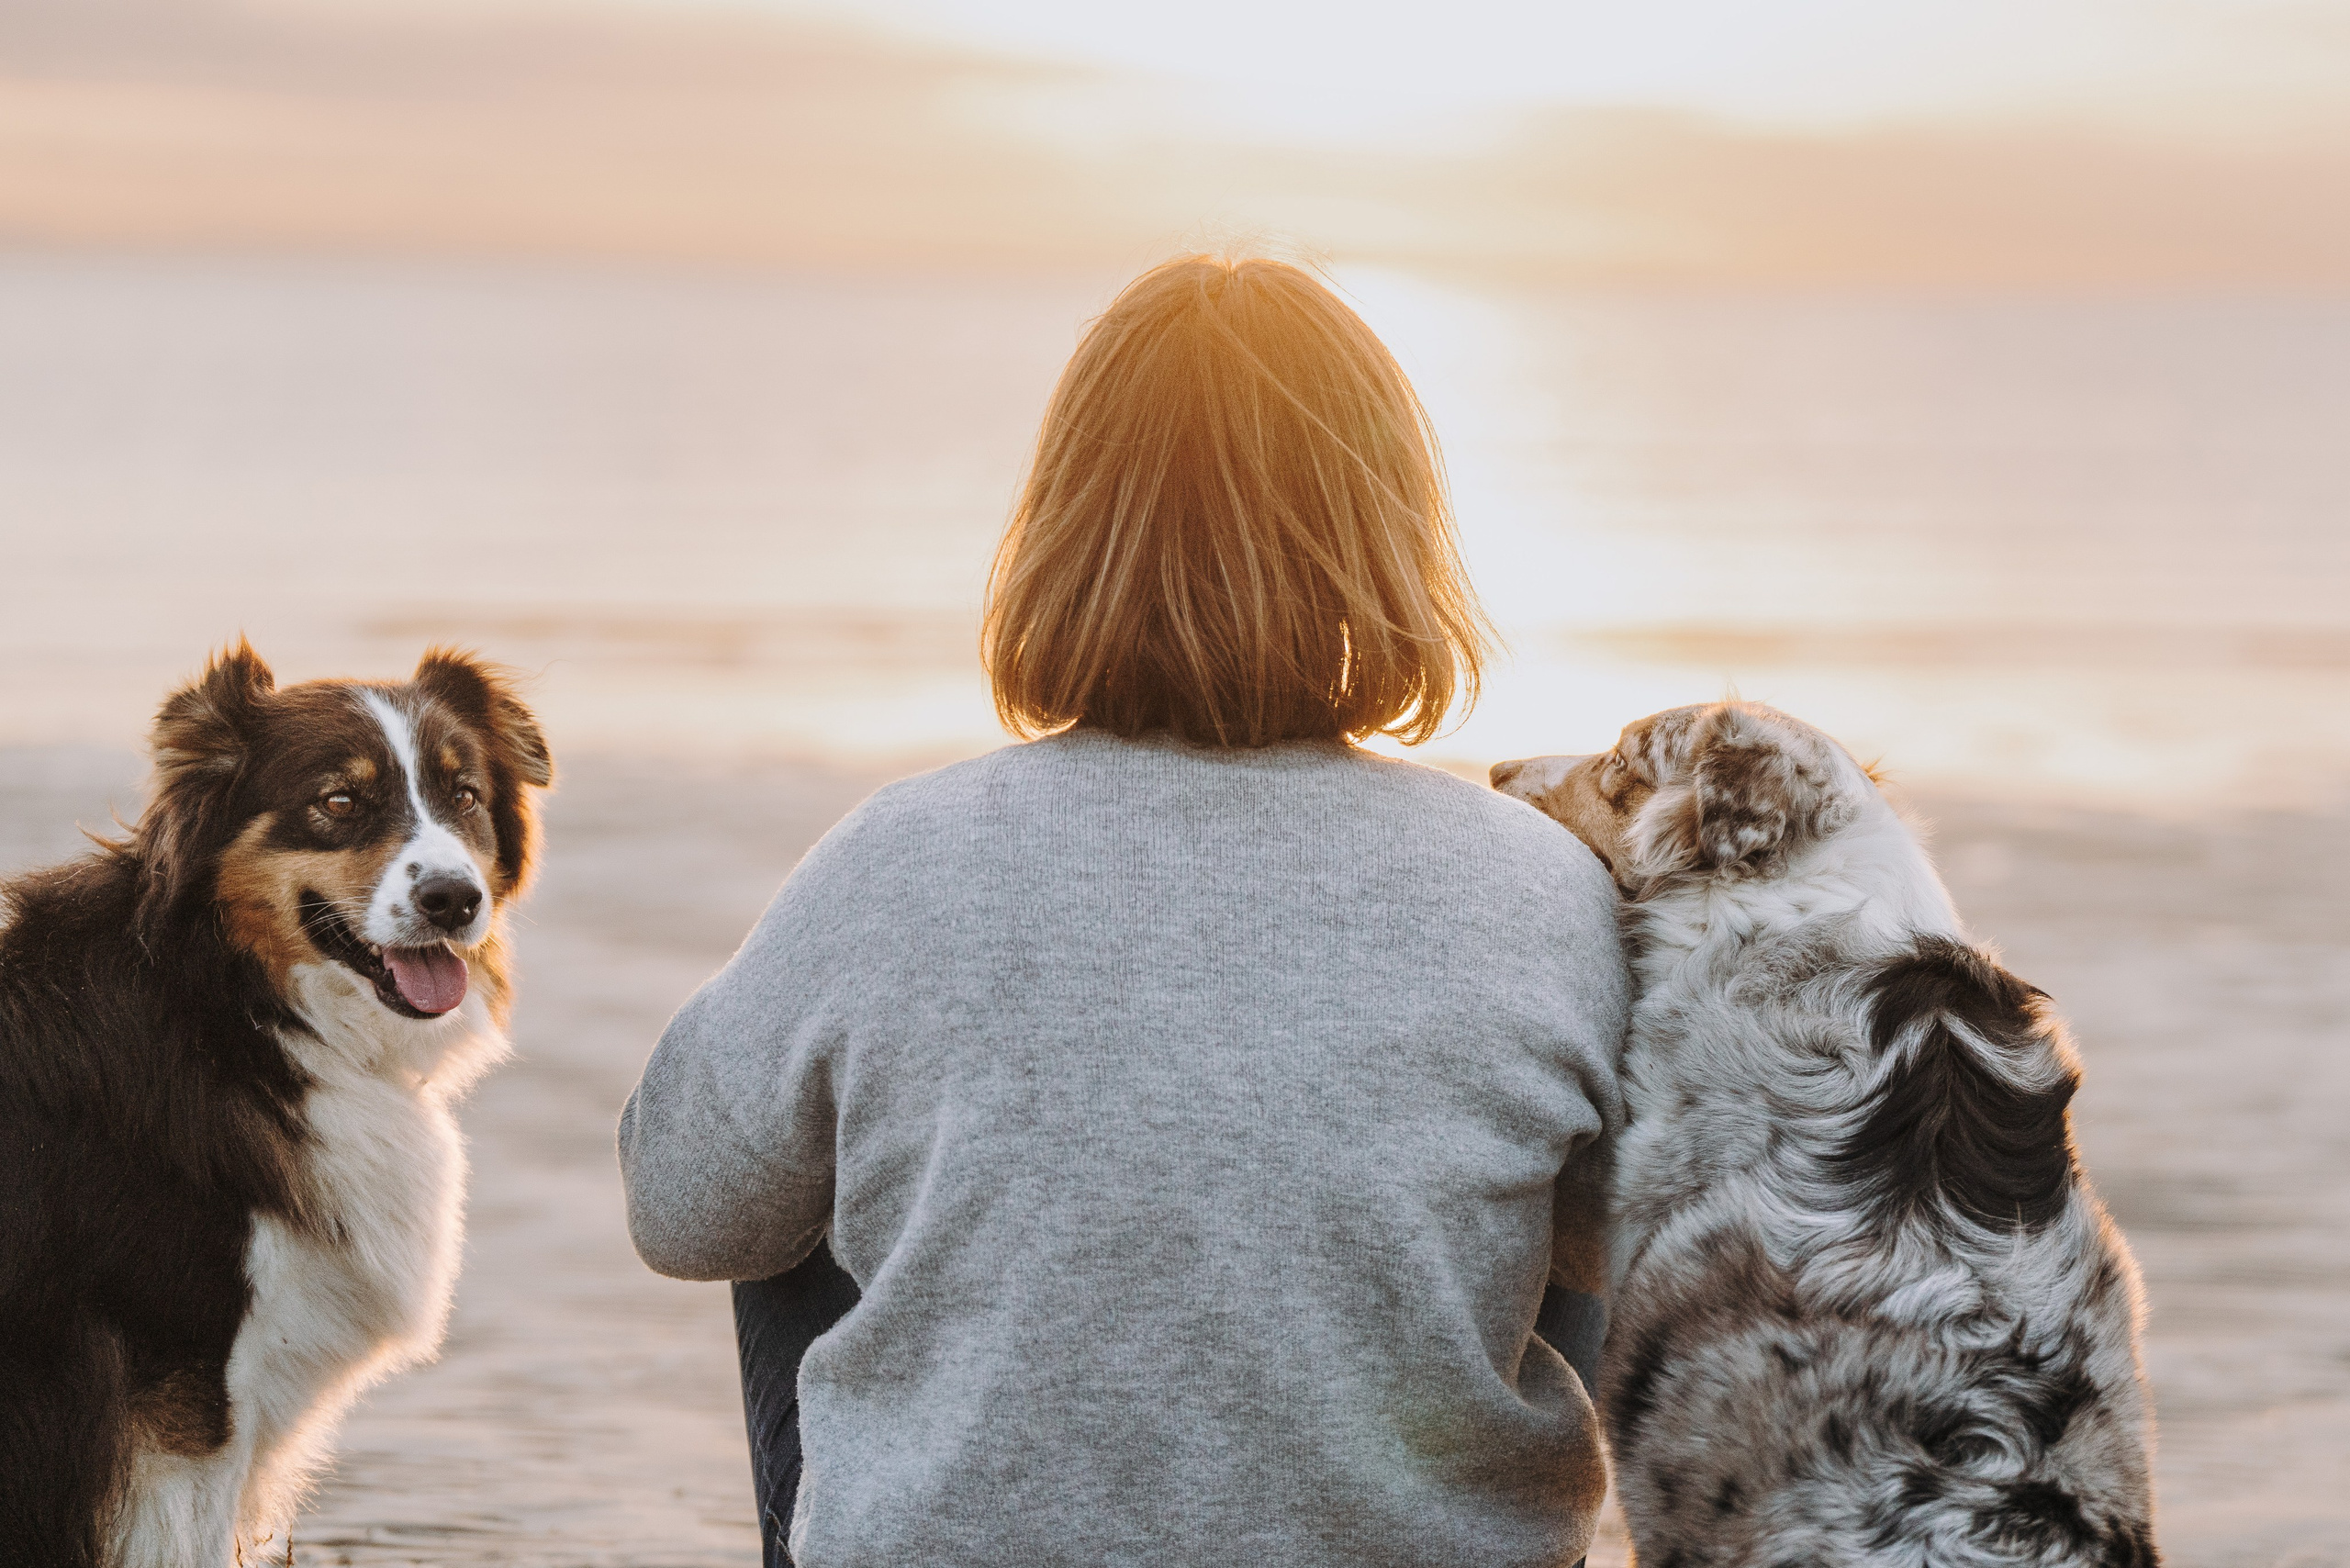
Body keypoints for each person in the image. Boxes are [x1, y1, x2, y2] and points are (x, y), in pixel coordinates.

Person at [618, 254, 1628, 1568]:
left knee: (773, 1166)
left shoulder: (899, 861)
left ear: (1062, 531)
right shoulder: (1548, 894)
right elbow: (1650, 1254)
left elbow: (676, 1206)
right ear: (1389, 537)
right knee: (1579, 1213)